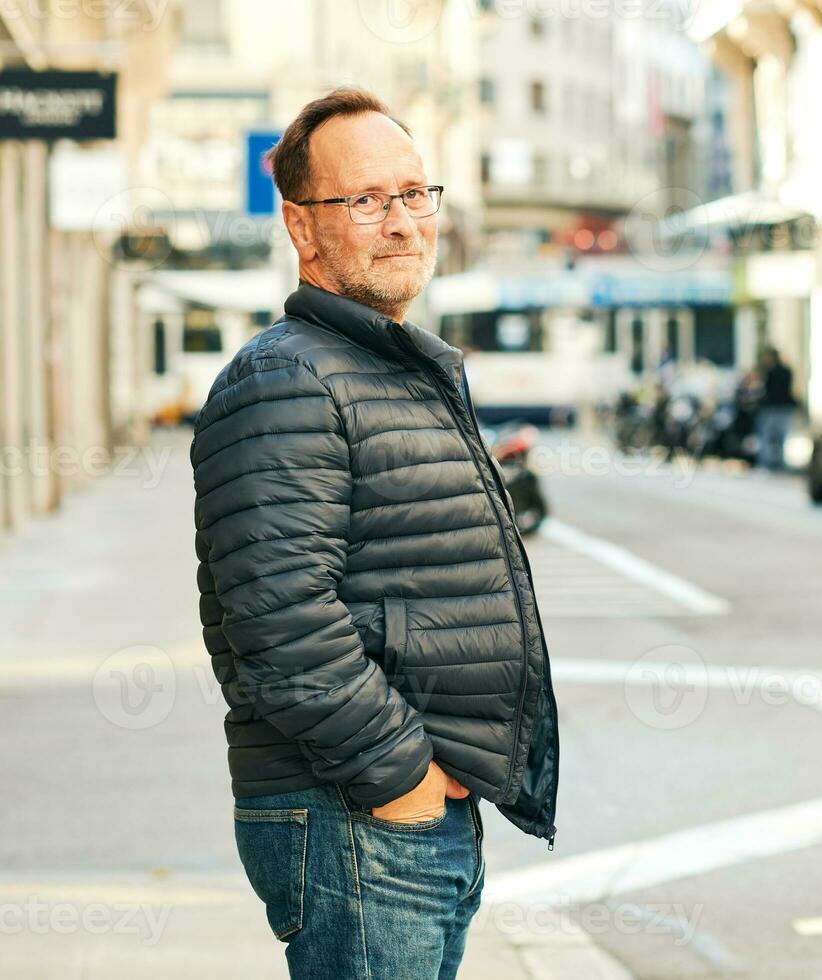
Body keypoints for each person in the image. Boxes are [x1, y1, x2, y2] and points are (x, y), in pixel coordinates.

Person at [189, 88, 559, 980]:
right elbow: (280, 620)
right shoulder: (285, 379)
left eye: (413, 193)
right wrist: (401, 779)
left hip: (398, 815)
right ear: (301, 226)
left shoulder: (388, 366)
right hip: (355, 812)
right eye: (364, 200)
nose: (400, 222)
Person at [756, 346, 797, 471]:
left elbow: (767, 390)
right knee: (780, 437)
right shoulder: (787, 371)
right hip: (783, 407)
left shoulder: (770, 372)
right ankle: (778, 462)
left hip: (773, 408)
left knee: (767, 436)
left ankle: (766, 462)